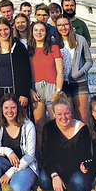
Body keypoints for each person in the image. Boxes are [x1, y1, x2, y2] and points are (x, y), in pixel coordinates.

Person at [39, 91, 95, 191]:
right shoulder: (48, 128)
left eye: (66, 113)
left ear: (71, 112)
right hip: (58, 167)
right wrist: (55, 175)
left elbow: (85, 155)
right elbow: (45, 155)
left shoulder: (81, 128)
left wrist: (84, 165)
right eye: (59, 114)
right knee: (44, 179)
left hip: (77, 168)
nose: (63, 118)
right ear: (53, 113)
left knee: (79, 182)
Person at [0, 94, 38, 191]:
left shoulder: (28, 125)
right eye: (6, 108)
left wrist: (10, 173)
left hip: (25, 165)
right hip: (6, 163)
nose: (10, 111)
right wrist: (8, 151)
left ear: (18, 108)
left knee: (19, 190)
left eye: (13, 107)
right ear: (2, 109)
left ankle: (28, 190)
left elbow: (30, 156)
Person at [0, 17, 31, 114]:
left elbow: (26, 72)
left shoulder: (19, 47)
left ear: (10, 29)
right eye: (0, 30)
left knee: (19, 122)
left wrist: (24, 93)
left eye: (6, 29)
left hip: (17, 91)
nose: (3, 32)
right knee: (0, 123)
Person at [28, 21, 63, 152]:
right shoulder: (29, 50)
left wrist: (57, 91)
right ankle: (41, 154)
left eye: (41, 30)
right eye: (36, 30)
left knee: (56, 123)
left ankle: (58, 152)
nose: (39, 32)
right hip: (35, 89)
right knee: (39, 125)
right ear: (32, 32)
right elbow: (26, 72)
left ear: (46, 32)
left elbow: (60, 71)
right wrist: (30, 89)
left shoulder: (54, 48)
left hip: (52, 88)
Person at [55, 15, 93, 122]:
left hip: (79, 82)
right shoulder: (54, 43)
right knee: (69, 116)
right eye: (60, 25)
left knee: (83, 117)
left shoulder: (80, 40)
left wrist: (80, 72)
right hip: (64, 84)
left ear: (70, 25)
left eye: (66, 24)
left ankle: (86, 138)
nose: (63, 28)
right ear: (56, 27)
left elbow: (89, 61)